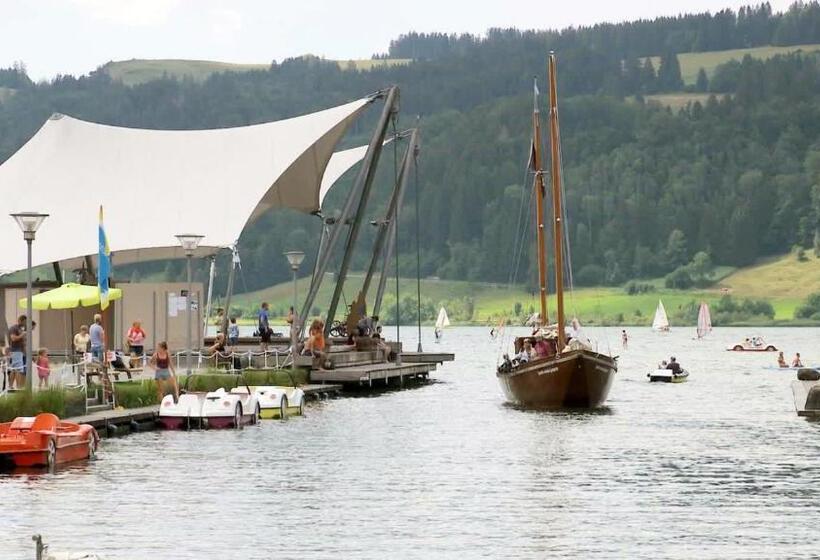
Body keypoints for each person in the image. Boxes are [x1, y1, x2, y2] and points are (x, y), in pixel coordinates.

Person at [7, 315, 26, 389]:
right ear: (20, 320)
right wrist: (22, 335)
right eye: (24, 322)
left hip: (19, 351)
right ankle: (17, 387)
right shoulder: (14, 328)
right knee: (18, 369)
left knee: (14, 368)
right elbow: (13, 338)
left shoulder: (20, 328)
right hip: (15, 350)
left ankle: (11, 386)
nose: (25, 324)